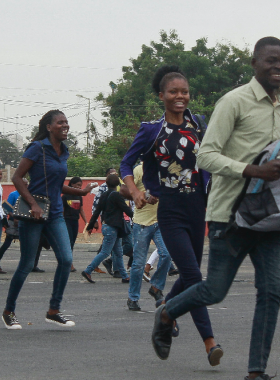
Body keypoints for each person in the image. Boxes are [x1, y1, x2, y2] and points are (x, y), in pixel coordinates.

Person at [148, 38, 280, 379]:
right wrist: (253, 169)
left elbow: (272, 159)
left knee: (272, 292)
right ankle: (166, 313)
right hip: (229, 214)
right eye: (271, 60)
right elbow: (206, 156)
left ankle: (255, 371)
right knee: (214, 290)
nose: (279, 66)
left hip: (269, 214)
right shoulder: (234, 102)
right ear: (254, 63)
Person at [120, 65, 220, 365]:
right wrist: (136, 192)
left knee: (192, 278)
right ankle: (210, 342)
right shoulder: (152, 129)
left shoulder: (198, 124)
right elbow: (126, 165)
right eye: (174, 92)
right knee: (193, 276)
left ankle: (165, 310)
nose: (180, 96)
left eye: (185, 92)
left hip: (198, 208)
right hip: (171, 209)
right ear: (161, 95)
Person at [2, 109, 96, 330]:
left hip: (54, 214)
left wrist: (81, 193)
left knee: (65, 259)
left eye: (66, 122)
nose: (65, 126)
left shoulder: (63, 151)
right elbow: (17, 177)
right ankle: (9, 311)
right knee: (26, 264)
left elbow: (55, 183)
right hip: (33, 214)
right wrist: (33, 204)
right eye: (60, 123)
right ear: (49, 127)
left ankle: (54, 310)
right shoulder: (37, 148)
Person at [124, 165, 172, 311]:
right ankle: (133, 298)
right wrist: (144, 196)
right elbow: (123, 190)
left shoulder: (167, 168)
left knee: (167, 254)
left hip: (160, 222)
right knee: (138, 264)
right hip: (142, 223)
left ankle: (156, 287)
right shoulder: (139, 170)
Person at [82, 174, 133, 283]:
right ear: (118, 184)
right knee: (105, 252)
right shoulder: (117, 196)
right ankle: (88, 270)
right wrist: (137, 217)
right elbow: (126, 210)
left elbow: (96, 212)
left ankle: (125, 276)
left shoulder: (103, 195)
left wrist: (90, 227)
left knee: (118, 252)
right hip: (113, 227)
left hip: (107, 226)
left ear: (107, 183)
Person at [63, 177, 88, 273]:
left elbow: (81, 210)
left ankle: (68, 262)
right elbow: (62, 211)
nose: (79, 187)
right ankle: (69, 264)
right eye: (77, 185)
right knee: (68, 242)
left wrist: (86, 222)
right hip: (67, 221)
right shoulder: (65, 196)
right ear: (72, 184)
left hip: (75, 221)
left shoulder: (79, 197)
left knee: (72, 242)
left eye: (80, 186)